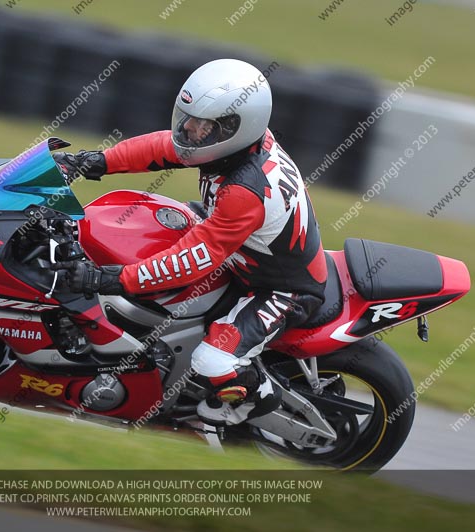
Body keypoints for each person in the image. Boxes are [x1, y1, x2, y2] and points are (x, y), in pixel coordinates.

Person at [52, 58, 327, 426]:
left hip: (281, 288)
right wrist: (93, 162)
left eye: (204, 126)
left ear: (234, 128)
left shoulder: (246, 190)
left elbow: (194, 259)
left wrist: (112, 279)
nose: (190, 130)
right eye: (188, 118)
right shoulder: (237, 146)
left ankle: (257, 398)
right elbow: (162, 148)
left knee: (213, 360)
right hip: (238, 246)